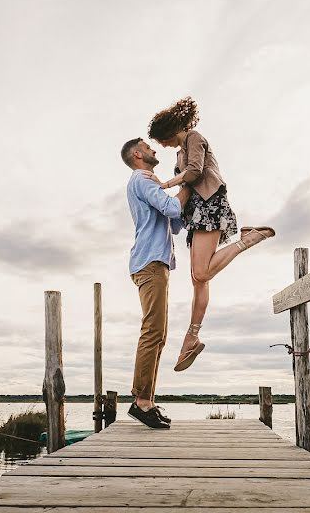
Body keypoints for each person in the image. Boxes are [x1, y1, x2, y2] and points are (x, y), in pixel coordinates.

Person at [147, 97, 275, 372]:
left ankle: (248, 239)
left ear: (169, 131)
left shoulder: (194, 138)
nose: (162, 145)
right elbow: (186, 184)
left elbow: (194, 173)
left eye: (162, 140)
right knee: (198, 279)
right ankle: (191, 338)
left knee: (202, 274)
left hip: (210, 204)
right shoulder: (179, 153)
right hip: (195, 213)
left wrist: (166, 184)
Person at [120, 137, 191, 429]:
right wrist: (187, 182)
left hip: (154, 262)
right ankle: (141, 401)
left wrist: (179, 192)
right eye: (147, 147)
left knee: (158, 333)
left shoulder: (152, 181)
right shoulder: (142, 179)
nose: (153, 149)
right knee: (152, 331)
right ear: (137, 154)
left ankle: (146, 399)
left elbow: (174, 223)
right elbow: (173, 210)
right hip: (150, 263)